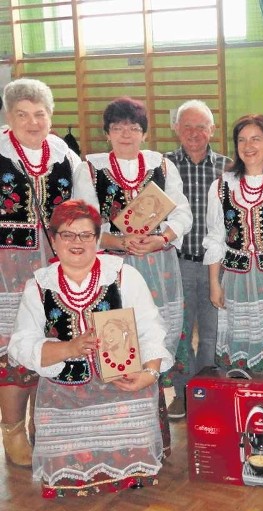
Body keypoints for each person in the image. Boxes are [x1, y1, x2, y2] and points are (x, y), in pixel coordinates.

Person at [8, 200, 173, 497]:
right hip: (64, 393)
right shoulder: (39, 287)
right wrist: (69, 348)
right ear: (54, 240)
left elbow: (152, 329)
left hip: (123, 387)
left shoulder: (123, 276)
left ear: (97, 239)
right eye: (68, 235)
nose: (77, 242)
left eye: (86, 235)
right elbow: (22, 345)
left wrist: (149, 373)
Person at [73, 97, 192, 454]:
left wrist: (161, 238)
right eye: (118, 127)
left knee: (153, 339)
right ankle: (118, 436)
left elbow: (182, 214)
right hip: (112, 268)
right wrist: (119, 241)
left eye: (134, 127)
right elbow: (86, 222)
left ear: (144, 132)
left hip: (159, 266)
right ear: (106, 132)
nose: (126, 133)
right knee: (117, 344)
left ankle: (152, 438)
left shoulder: (163, 165)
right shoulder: (89, 168)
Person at [0, 78, 87, 467]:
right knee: (10, 348)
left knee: (48, 341)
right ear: (8, 116)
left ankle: (40, 421)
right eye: (22, 114)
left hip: (54, 264)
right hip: (7, 267)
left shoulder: (63, 153)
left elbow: (84, 204)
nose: (33, 122)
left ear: (51, 116)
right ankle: (12, 428)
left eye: (40, 114)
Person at [204, 114, 263, 372]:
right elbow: (216, 239)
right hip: (236, 280)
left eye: (256, 138)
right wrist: (214, 284)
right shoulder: (221, 186)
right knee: (243, 349)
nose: (248, 145)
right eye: (242, 140)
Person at [164, 99, 231, 419]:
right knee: (179, 329)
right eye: (187, 126)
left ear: (212, 130)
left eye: (201, 126)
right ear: (175, 128)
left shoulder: (228, 167)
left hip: (217, 264)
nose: (194, 133)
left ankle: (206, 390)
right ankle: (181, 391)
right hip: (176, 262)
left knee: (212, 330)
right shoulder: (160, 166)